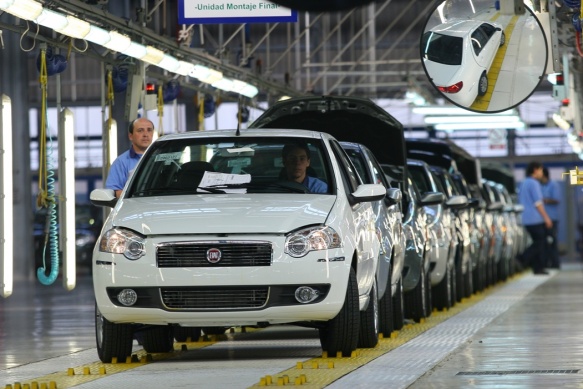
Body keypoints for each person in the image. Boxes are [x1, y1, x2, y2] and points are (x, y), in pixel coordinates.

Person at [517, 161, 553, 275]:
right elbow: (538, 203)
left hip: (525, 218)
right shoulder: (534, 183)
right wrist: (546, 218)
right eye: (541, 170)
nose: (542, 173)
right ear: (535, 170)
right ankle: (522, 258)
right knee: (540, 242)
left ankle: (537, 268)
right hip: (534, 218)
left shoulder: (524, 183)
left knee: (537, 242)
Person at [105, 117, 154, 197]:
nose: (145, 134)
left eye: (149, 130)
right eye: (140, 130)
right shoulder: (121, 163)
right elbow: (114, 192)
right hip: (135, 207)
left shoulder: (163, 159)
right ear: (130, 136)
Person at [540, 167, 561, 269]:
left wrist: (545, 201)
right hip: (542, 218)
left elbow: (557, 199)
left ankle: (555, 264)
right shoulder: (540, 186)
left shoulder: (553, 185)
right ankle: (545, 263)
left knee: (552, 241)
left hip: (552, 218)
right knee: (544, 242)